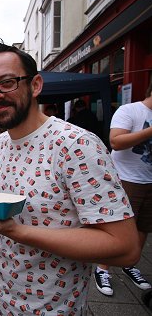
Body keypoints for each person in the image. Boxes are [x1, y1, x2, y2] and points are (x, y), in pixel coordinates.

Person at [0, 40, 140, 315]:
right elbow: (15, 196)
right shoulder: (2, 143)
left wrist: (18, 232)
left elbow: (125, 247)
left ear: (35, 85)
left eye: (7, 83)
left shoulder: (77, 145)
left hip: (52, 308)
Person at [94, 82, 152, 296]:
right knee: (116, 227)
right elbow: (116, 141)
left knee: (143, 226)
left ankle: (130, 262)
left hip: (149, 180)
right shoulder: (131, 110)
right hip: (126, 179)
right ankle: (102, 269)